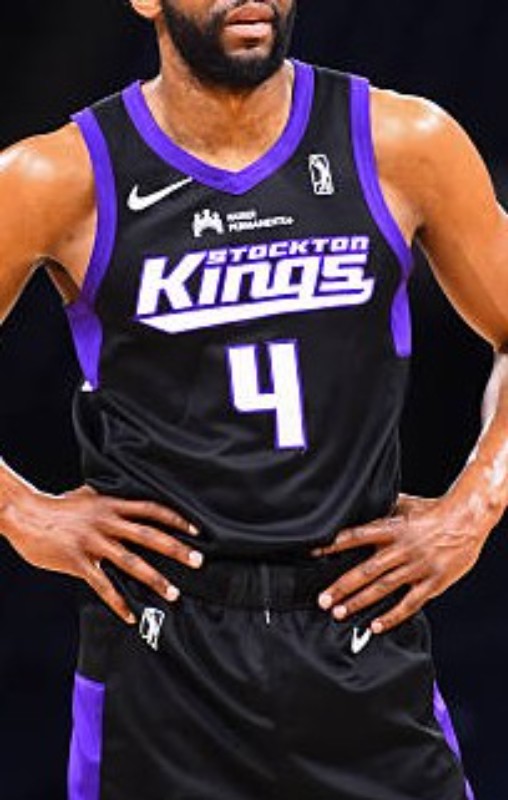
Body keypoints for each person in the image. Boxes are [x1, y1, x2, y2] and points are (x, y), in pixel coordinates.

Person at [0, 0, 507, 797]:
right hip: (162, 653)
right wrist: (24, 514)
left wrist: (472, 510)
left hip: (359, 633)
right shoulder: (56, 174)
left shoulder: (403, 140)